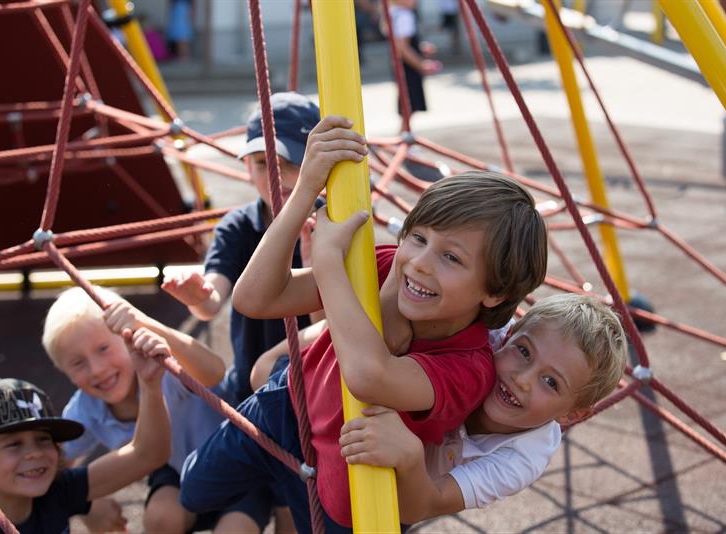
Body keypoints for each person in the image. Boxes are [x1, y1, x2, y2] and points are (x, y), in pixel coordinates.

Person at [178, 115, 548, 533]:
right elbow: (254, 298)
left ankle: (279, 495)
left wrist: (330, 261)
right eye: (419, 238)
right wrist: (303, 192)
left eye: (452, 258)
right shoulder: (388, 262)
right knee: (192, 491)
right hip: (287, 407)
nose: (421, 264)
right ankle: (269, 491)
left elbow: (369, 377)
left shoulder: (470, 366)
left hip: (346, 483)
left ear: (495, 292)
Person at [339, 293, 628, 523]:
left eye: (551, 382)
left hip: (401, 490)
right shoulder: (483, 335)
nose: (523, 379)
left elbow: (425, 505)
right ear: (509, 334)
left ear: (572, 414)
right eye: (524, 351)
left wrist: (411, 458)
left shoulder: (522, 458)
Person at [41, 286, 264, 533]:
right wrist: (87, 504)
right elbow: (55, 461)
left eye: (103, 349)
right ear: (64, 372)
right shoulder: (87, 408)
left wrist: (148, 325)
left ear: (128, 336)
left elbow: (214, 372)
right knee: (161, 518)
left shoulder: (162, 366)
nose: (96, 369)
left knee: (235, 530)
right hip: (180, 475)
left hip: (238, 466)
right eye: (78, 363)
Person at [161, 91, 322, 408]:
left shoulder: (331, 224)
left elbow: (330, 325)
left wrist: (312, 260)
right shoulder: (238, 226)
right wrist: (200, 297)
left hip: (314, 388)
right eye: (264, 164)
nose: (278, 177)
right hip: (250, 392)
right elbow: (213, 299)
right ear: (248, 168)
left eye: (291, 164)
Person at [0, 352, 170, 532]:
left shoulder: (57, 491)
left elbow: (148, 454)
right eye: (14, 444)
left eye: (44, 439)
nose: (35, 452)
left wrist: (149, 384)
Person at [385, 0, 442, 115]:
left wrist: (419, 47)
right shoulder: (404, 15)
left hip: (399, 63)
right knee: (410, 103)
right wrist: (421, 64)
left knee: (408, 103)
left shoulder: (393, 13)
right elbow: (402, 47)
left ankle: (405, 130)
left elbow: (401, 43)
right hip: (408, 66)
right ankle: (404, 131)